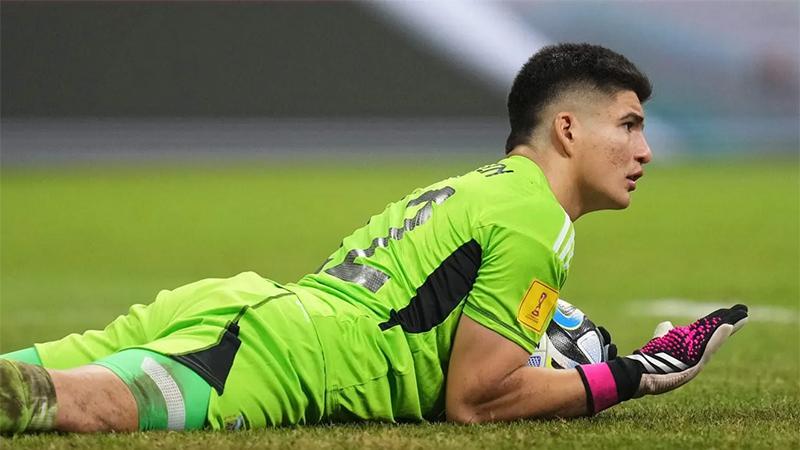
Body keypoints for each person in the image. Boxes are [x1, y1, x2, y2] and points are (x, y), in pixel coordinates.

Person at [0, 43, 748, 434]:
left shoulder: (480, 186)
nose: (645, 150)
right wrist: (633, 374)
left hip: (248, 311)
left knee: (21, 378)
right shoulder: (537, 221)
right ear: (568, 129)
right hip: (280, 360)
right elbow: (477, 401)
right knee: (69, 406)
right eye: (629, 125)